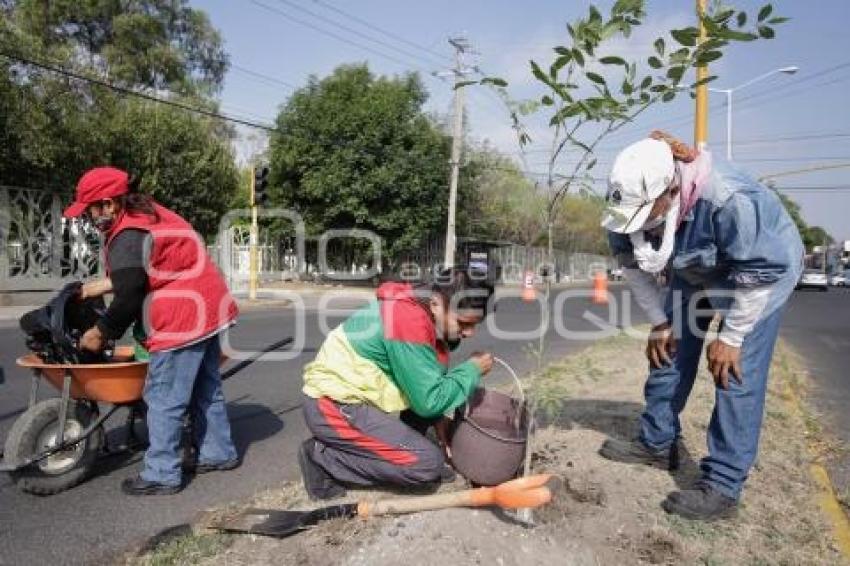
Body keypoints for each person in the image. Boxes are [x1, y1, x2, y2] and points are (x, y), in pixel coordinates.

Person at [598, 131, 803, 520]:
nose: (636, 225)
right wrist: (659, 322)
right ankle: (657, 443)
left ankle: (723, 486)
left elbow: (760, 269)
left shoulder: (727, 200)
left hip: (758, 274)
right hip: (696, 267)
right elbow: (632, 268)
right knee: (668, 348)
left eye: (647, 215)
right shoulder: (623, 204)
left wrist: (732, 336)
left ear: (671, 190)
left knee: (734, 371)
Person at [64, 166, 240, 495]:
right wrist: (95, 287)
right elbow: (141, 273)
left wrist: (100, 332)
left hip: (185, 310)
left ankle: (161, 473)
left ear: (108, 203)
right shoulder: (145, 213)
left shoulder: (128, 233)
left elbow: (130, 293)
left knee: (163, 396)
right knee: (206, 387)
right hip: (208, 300)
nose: (88, 217)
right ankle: (218, 452)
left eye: (89, 209)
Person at [299, 267, 494, 500]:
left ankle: (408, 448)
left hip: (349, 402)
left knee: (429, 436)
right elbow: (428, 401)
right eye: (463, 324)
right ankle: (323, 458)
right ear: (435, 303)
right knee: (425, 465)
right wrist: (472, 369)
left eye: (475, 324)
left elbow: (426, 380)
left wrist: (436, 417)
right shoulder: (408, 320)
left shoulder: (424, 314)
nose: (470, 333)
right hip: (332, 407)